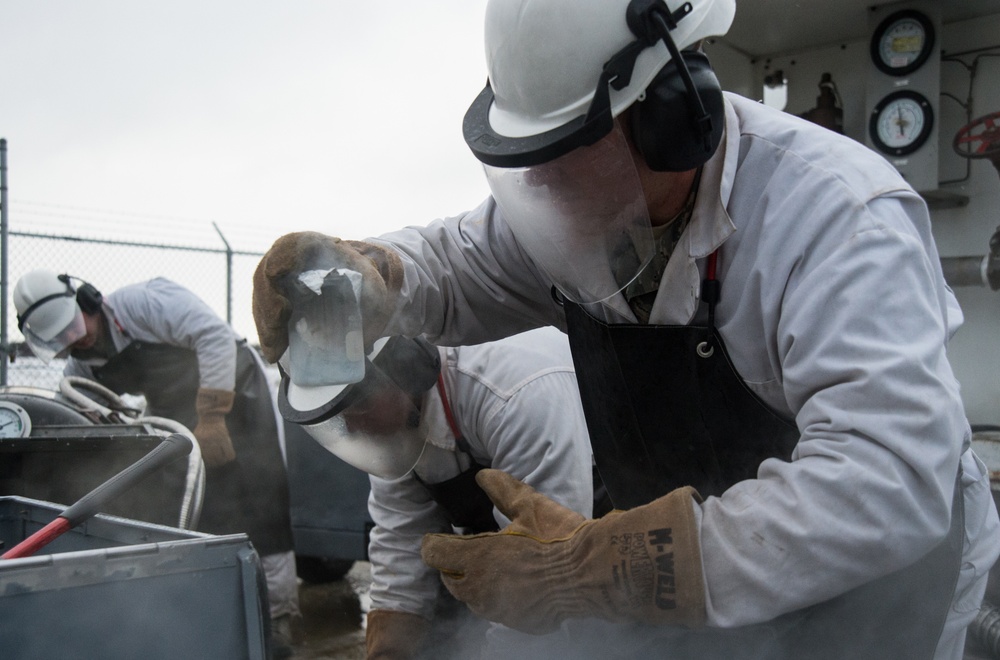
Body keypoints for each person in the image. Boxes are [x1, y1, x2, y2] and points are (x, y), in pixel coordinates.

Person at [252, 0, 1000, 657]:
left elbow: (887, 483)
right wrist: (369, 274)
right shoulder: (577, 211)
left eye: (563, 158)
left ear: (676, 114)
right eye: (529, 166)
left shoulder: (835, 216)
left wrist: (601, 569)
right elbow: (451, 264)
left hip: (883, 581)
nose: (541, 192)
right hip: (711, 569)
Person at [14, 271, 300, 658]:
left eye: (73, 327)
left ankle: (278, 619)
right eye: (61, 338)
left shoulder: (144, 304)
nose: (75, 340)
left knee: (261, 504)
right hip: (176, 414)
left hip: (237, 391)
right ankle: (211, 608)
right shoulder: (81, 366)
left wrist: (213, 416)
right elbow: (82, 412)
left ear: (88, 301)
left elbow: (214, 336)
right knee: (191, 511)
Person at [277, 326, 601, 659]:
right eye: (338, 415)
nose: (353, 427)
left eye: (357, 407)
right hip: (520, 555)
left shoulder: (515, 394)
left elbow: (541, 575)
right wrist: (387, 650)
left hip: (592, 527)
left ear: (405, 370)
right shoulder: (393, 428)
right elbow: (401, 542)